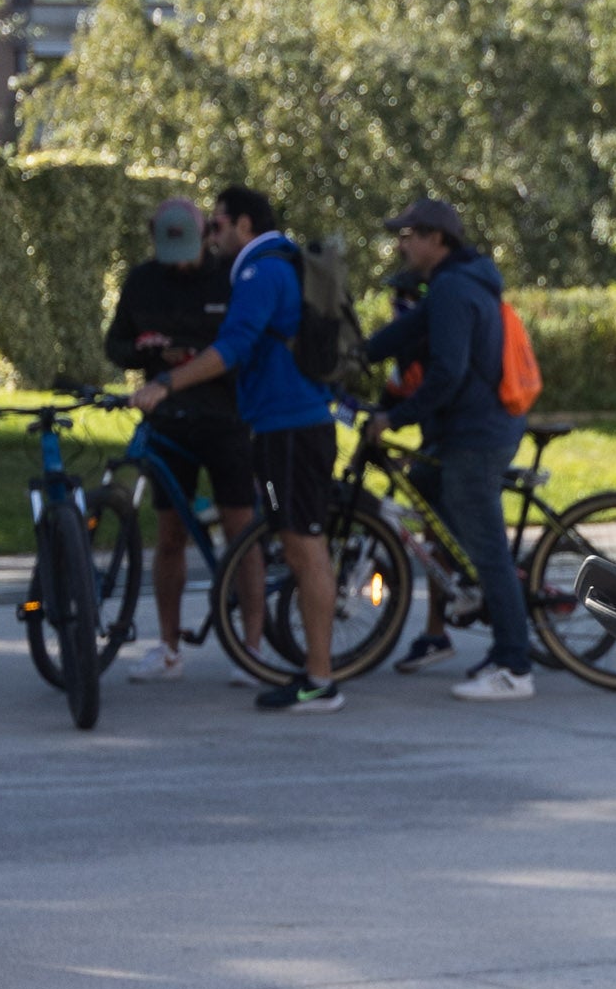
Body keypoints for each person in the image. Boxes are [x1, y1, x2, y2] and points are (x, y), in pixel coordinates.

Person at [131, 185, 340, 715]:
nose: (211, 234)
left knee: (304, 547)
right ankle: (315, 672)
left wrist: (168, 383)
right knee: (297, 543)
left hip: (290, 424)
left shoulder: (258, 271)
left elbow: (233, 347)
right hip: (286, 422)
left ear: (244, 225)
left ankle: (320, 679)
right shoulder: (279, 263)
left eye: (218, 224)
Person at [358, 200, 536, 700]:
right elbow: (405, 333)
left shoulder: (454, 288)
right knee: (424, 489)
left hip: (476, 436)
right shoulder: (450, 284)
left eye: (410, 233)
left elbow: (447, 373)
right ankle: (462, 600)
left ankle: (514, 666)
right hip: (464, 431)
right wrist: (358, 351)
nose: (402, 243)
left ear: (438, 239)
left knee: (488, 549)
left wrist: (394, 417)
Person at [102, 195, 251, 680]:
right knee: (170, 536)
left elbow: (243, 345)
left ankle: (252, 648)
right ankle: (168, 647)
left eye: (187, 251)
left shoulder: (230, 277)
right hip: (167, 421)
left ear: (206, 235)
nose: (180, 263)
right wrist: (145, 350)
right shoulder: (143, 281)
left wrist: (195, 356)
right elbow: (116, 344)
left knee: (240, 533)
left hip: (226, 418)